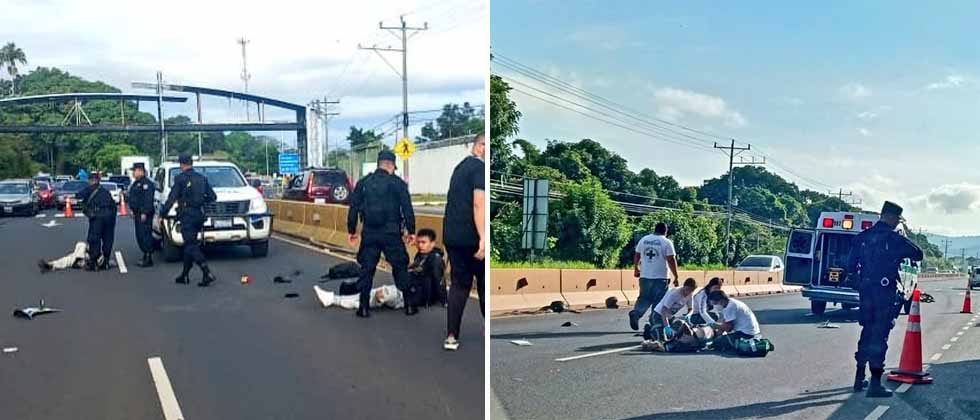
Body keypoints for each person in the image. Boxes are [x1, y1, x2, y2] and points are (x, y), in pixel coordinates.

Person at [846, 201, 923, 398]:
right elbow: (918, 254)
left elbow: (850, 267)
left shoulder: (862, 238)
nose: (897, 222)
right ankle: (875, 383)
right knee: (880, 337)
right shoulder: (894, 238)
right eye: (897, 219)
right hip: (884, 292)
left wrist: (862, 284)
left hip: (866, 293)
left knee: (867, 332)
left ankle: (858, 377)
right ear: (890, 217)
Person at [347, 150, 416, 318]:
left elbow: (353, 208)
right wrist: (411, 231)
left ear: (379, 164)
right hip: (391, 233)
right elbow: (407, 209)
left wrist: (352, 230)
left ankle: (363, 307)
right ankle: (409, 305)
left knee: (367, 268)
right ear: (391, 165)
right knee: (400, 267)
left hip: (370, 232)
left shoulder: (363, 183)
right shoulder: (398, 183)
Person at [442, 133, 486, 351]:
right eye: (486, 146)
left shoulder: (459, 169)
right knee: (484, 284)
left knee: (459, 286)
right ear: (478, 146)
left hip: (452, 236)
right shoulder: (479, 169)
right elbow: (479, 204)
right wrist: (483, 238)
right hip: (471, 237)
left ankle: (451, 336)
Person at [162, 154, 218, 287]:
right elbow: (212, 197)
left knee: (191, 245)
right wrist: (199, 202)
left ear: (181, 164)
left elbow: (172, 198)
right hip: (199, 215)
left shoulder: (180, 179)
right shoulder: (202, 178)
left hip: (187, 215)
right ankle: (184, 275)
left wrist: (163, 213)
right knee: (189, 244)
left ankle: (206, 271)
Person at [628, 222, 679, 333]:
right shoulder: (666, 242)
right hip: (660, 278)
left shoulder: (644, 239)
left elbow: (637, 255)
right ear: (665, 231)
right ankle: (654, 322)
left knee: (644, 298)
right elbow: (671, 260)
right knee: (658, 301)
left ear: (655, 229)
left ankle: (636, 313)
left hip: (645, 276)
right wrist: (676, 276)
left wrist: (636, 268)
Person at [76, 173, 116, 271]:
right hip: (109, 217)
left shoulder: (90, 189)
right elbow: (113, 206)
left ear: (91, 180)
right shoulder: (106, 192)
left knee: (94, 239)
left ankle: (93, 263)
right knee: (108, 239)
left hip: (97, 217)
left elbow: (78, 195)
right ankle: (106, 261)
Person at [409, 228, 448, 308]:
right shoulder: (420, 255)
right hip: (413, 289)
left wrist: (444, 300)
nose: (420, 245)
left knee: (386, 294)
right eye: (419, 242)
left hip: (420, 294)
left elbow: (439, 280)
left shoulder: (435, 259)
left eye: (423, 242)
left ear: (432, 243)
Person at [128, 162, 156, 267]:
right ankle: (145, 255)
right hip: (137, 213)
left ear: (140, 171)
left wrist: (145, 212)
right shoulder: (136, 183)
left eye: (134, 171)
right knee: (140, 235)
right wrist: (132, 210)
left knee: (145, 235)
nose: (133, 173)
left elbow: (148, 200)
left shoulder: (146, 184)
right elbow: (133, 198)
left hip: (144, 213)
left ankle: (148, 257)